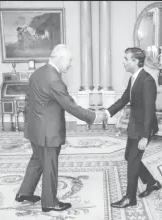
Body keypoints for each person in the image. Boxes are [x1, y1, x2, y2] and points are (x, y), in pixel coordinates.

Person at [15, 44, 107, 212]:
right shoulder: (54, 79)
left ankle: (24, 193)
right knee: (49, 165)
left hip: (35, 128)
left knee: (37, 160)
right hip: (47, 132)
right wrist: (93, 117)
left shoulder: (38, 73)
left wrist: (30, 124)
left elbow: (28, 101)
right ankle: (49, 202)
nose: (70, 64)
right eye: (69, 60)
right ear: (60, 58)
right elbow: (70, 106)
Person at [105, 47, 162, 208]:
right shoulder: (134, 78)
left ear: (136, 61)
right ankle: (152, 183)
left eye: (126, 59)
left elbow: (149, 110)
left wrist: (145, 136)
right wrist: (106, 113)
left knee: (132, 161)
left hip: (144, 127)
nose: (123, 62)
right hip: (135, 124)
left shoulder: (147, 80)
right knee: (129, 157)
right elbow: (124, 99)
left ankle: (130, 198)